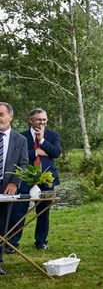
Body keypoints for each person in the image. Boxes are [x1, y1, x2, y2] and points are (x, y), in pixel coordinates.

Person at [6, 108, 61, 252]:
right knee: (19, 211)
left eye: (44, 119)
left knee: (43, 212)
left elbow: (56, 153)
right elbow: (18, 155)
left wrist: (42, 140)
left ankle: (41, 241)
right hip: (25, 178)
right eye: (38, 119)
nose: (42, 122)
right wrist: (36, 152)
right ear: (31, 120)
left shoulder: (52, 135)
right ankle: (12, 243)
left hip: (47, 179)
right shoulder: (20, 136)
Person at [0, 102, 29, 275]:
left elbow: (23, 163)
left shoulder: (20, 140)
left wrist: (14, 182)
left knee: (3, 226)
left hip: (7, 188)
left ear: (11, 117)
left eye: (1, 114)